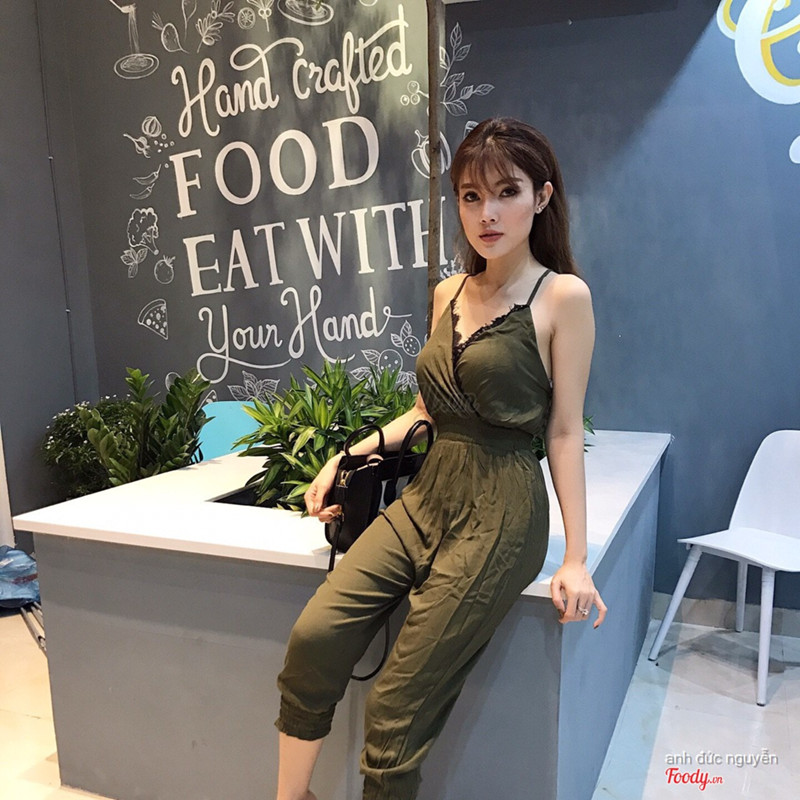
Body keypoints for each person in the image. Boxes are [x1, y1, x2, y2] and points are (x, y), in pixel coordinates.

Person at [274, 117, 607, 800]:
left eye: (506, 192)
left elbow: (563, 431)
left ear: (542, 196)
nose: (487, 214)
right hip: (429, 497)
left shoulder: (561, 297)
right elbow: (428, 411)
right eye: (470, 196)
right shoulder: (447, 293)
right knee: (314, 639)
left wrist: (576, 557)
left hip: (503, 512)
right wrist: (343, 457)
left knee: (396, 710)